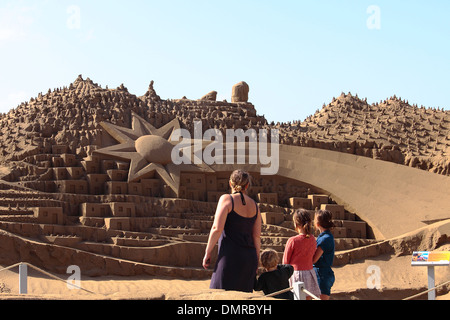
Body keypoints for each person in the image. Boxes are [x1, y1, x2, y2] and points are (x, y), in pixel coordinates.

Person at [202, 170, 261, 293]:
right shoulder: (255, 206)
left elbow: (216, 228)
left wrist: (207, 252)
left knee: (220, 296)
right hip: (248, 260)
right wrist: (256, 260)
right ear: (247, 185)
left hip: (229, 258)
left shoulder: (227, 199)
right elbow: (256, 236)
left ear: (230, 183)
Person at [283, 209, 321, 300]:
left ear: (296, 224)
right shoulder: (312, 239)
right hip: (310, 273)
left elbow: (285, 262)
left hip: (296, 275)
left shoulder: (292, 240)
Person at [312, 210, 336, 300]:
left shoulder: (325, 239)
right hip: (321, 274)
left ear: (317, 223)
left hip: (322, 275)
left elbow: (314, 259)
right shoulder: (324, 236)